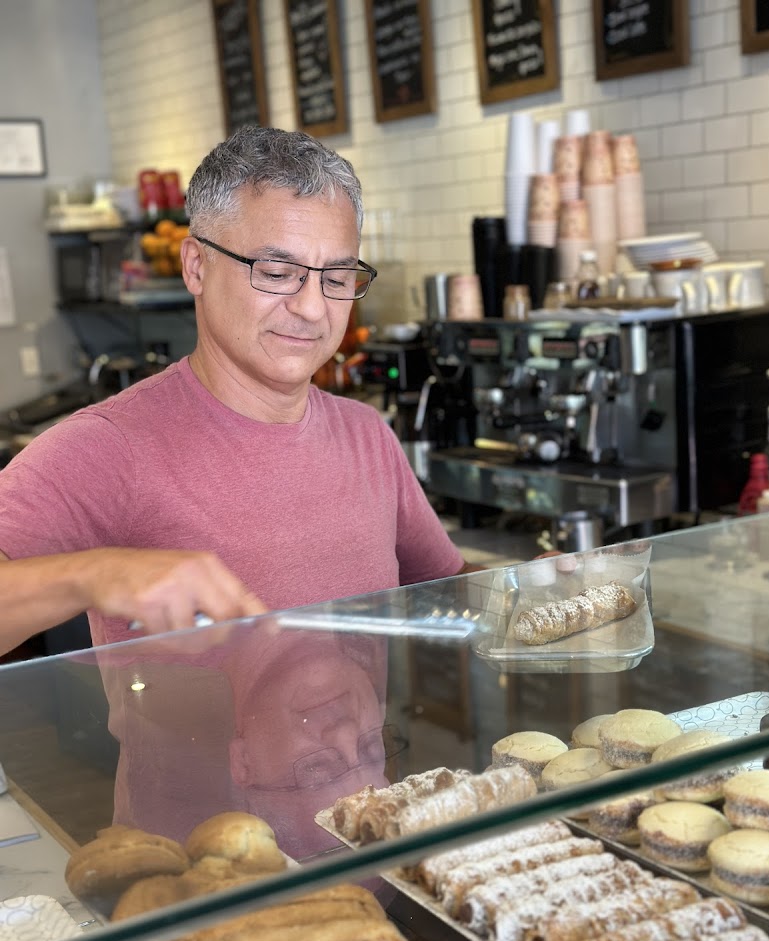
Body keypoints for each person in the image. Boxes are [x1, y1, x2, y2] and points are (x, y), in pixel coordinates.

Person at [0, 126, 478, 658]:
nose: (313, 308)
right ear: (196, 266)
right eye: (277, 272)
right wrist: (96, 575)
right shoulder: (109, 447)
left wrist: (542, 585)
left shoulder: (365, 434)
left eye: (337, 278)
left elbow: (453, 588)